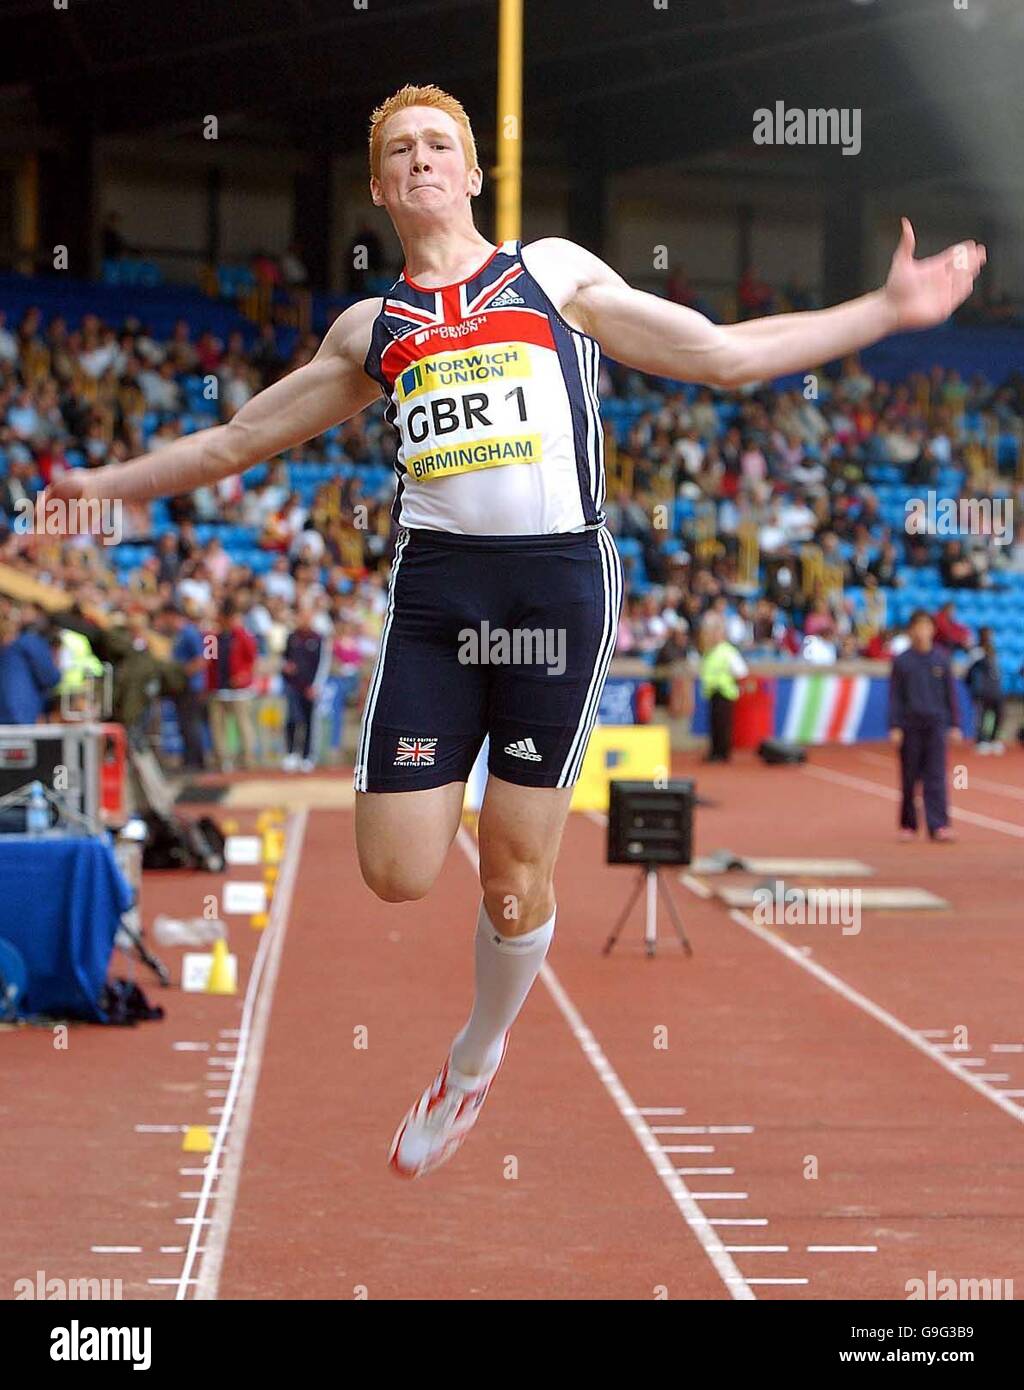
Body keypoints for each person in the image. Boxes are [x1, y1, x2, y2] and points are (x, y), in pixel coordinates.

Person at [47, 83, 986, 1178]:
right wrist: (100, 486)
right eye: (399, 149)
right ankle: (475, 973)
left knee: (509, 871)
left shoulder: (551, 275)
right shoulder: (371, 327)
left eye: (440, 143)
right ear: (378, 184)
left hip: (556, 588)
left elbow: (723, 355)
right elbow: (229, 446)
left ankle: (475, 1054)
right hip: (440, 595)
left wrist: (882, 311)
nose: (422, 160)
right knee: (396, 870)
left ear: (474, 171)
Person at [888, 610, 962, 843]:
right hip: (910, 725)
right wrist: (895, 725)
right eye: (917, 627)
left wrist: (954, 724)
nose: (922, 632)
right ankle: (908, 824)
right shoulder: (902, 661)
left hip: (935, 724)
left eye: (926, 626)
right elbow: (895, 696)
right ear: (910, 631)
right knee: (909, 779)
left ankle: (938, 824)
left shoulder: (941, 659)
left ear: (932, 629)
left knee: (936, 777)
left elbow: (950, 694)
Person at [281, 608, 331, 772]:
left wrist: (316, 685)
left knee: (310, 721)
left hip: (310, 687)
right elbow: (285, 658)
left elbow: (323, 664)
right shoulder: (292, 637)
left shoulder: (318, 639)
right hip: (293, 686)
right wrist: (286, 668)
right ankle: (291, 753)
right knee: (293, 719)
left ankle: (307, 755)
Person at [699, 614, 748, 762]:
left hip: (724, 692)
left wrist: (737, 687)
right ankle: (715, 752)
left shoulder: (728, 651)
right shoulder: (710, 651)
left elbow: (741, 671)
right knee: (715, 724)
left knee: (723, 725)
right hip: (712, 692)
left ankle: (722, 753)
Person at [965, 626, 1004, 754]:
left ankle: (993, 739)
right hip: (981, 691)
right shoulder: (976, 652)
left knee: (999, 714)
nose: (989, 637)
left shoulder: (993, 652)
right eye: (987, 634)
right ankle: (981, 740)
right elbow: (970, 671)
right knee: (981, 715)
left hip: (995, 690)